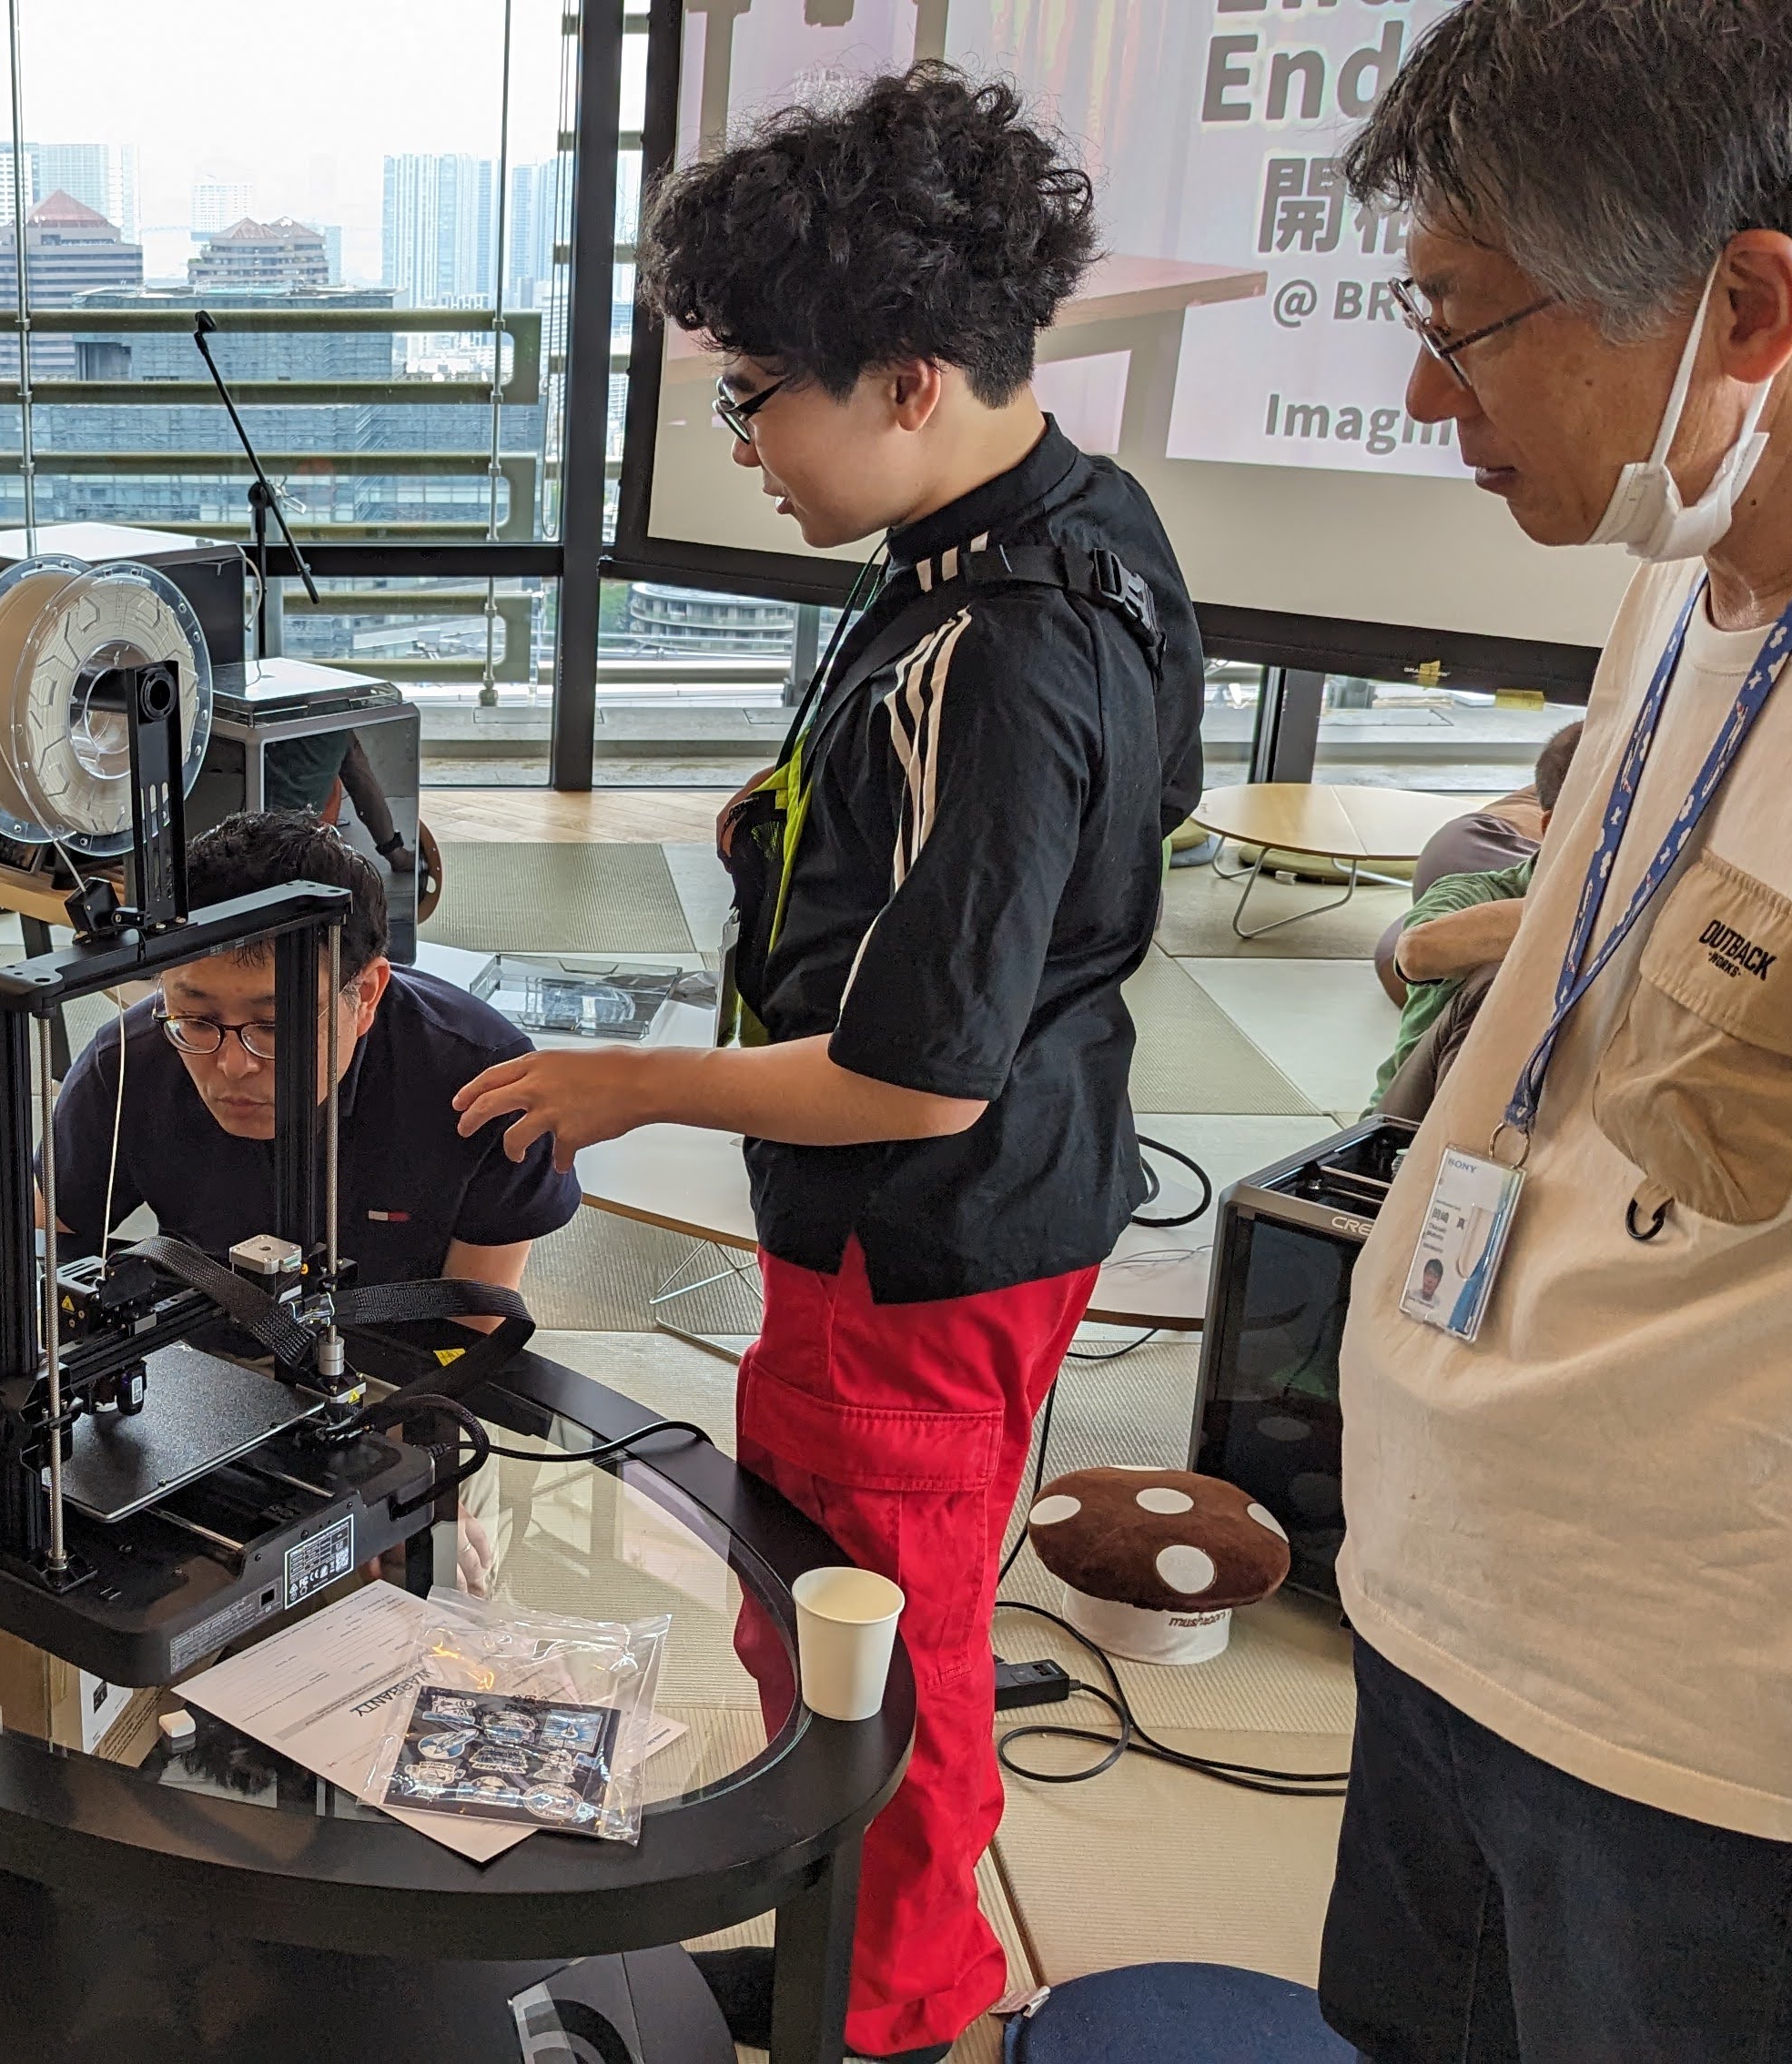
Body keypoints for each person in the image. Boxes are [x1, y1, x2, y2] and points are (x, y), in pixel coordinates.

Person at [1321, 4, 1792, 2055]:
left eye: (1469, 324)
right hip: (1453, 1600)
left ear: (1749, 306)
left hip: (1730, 1751)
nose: (1425, 391)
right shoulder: (1697, 560)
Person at [451, 68, 1202, 2061]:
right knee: (850, 1602)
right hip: (1011, 1196)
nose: (744, 445)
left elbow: (919, 1076)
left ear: (909, 380)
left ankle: (888, 2006)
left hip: (921, 1229)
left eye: (755, 397)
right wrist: (801, 827)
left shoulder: (1011, 640)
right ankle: (855, 1955)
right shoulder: (1068, 523)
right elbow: (1098, 830)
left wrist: (624, 1088)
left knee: (876, 1634)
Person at [46, 810, 576, 1295]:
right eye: (197, 1018)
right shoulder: (125, 1063)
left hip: (400, 1347)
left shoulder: (484, 1083)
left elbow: (476, 1321)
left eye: (275, 1026)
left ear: (365, 994)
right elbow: (47, 1239)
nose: (232, 1065)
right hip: (198, 1340)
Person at [1365, 722, 1583, 1113]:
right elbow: (1418, 951)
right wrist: (1589, 913)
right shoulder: (1475, 891)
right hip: (1410, 1126)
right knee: (1493, 981)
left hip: (1558, 1125)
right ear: (1555, 826)